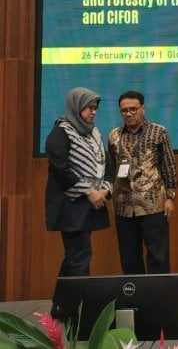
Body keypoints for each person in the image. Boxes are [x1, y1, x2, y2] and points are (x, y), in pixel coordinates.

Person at [106, 90, 178, 274]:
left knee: (158, 256)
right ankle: (135, 299)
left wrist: (170, 198)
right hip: (124, 206)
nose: (129, 114)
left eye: (133, 109)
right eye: (124, 110)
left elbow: (169, 166)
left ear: (143, 109)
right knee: (129, 258)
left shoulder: (158, 132)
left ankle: (159, 299)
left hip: (153, 204)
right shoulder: (114, 136)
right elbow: (111, 169)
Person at [45, 87, 111, 276]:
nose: (94, 112)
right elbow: (60, 169)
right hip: (70, 206)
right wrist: (89, 191)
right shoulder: (61, 132)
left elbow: (105, 163)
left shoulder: (93, 132)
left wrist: (104, 189)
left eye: (95, 108)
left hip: (89, 205)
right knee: (79, 255)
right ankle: (78, 303)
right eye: (89, 108)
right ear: (76, 107)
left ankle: (63, 303)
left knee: (76, 256)